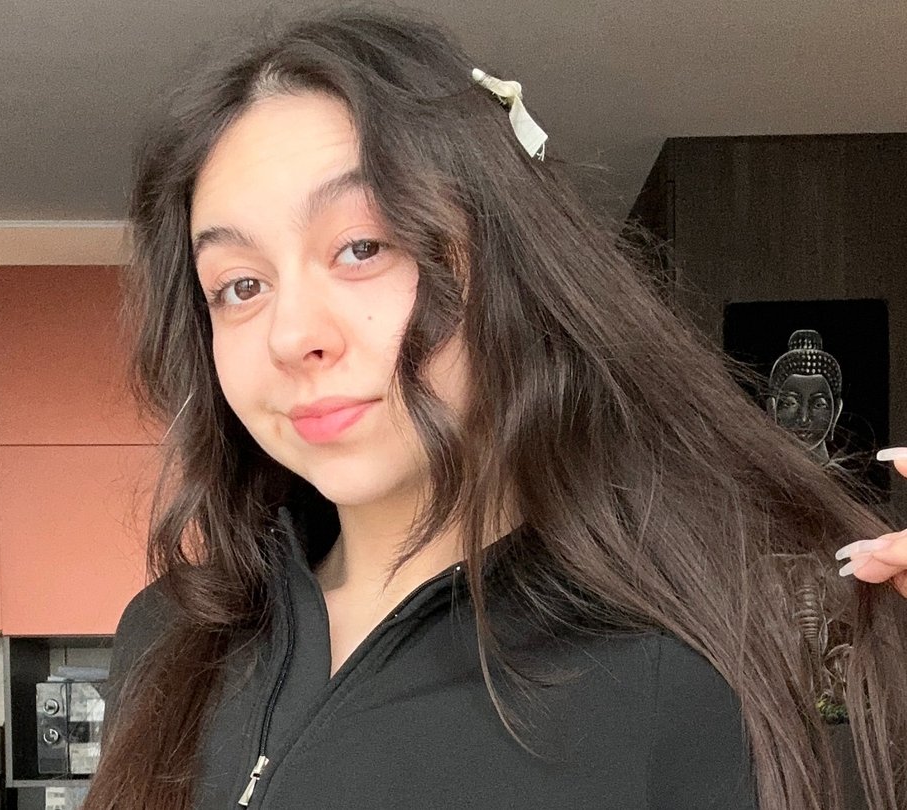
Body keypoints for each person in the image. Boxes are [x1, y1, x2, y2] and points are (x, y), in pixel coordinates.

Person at [83, 7, 907, 809]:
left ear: (510, 270)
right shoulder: (169, 636)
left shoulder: (675, 681)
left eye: (363, 247)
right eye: (239, 286)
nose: (293, 335)